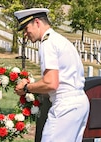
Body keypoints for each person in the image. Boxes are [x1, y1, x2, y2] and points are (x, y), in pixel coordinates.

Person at [14, 8, 90, 142]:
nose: (25, 34)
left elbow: (51, 83)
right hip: (79, 103)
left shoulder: (47, 43)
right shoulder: (60, 40)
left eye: (26, 28)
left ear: (37, 22)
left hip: (65, 106)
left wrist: (26, 88)